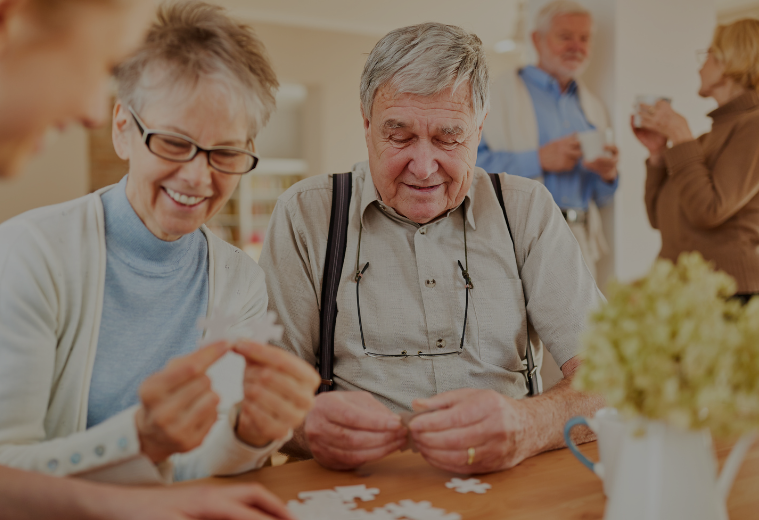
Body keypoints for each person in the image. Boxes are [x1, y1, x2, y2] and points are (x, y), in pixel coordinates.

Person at [0, 0, 294, 518]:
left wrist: (239, 434)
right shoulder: (31, 249)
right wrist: (138, 441)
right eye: (96, 64)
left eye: (226, 152)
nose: (91, 112)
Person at [259, 21, 605, 475]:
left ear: (479, 130)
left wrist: (528, 423)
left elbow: (612, 379)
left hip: (508, 484)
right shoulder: (305, 214)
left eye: (448, 137)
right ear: (366, 126)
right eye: (399, 135)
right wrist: (304, 425)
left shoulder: (527, 210)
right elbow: (265, 396)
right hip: (356, 488)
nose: (423, 167)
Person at [476, 0, 619, 279]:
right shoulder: (495, 94)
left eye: (584, 38)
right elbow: (471, 166)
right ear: (536, 40)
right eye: (565, 37)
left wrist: (608, 175)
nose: (576, 46)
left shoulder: (593, 106)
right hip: (519, 239)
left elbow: (601, 198)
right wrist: (539, 159)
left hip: (581, 242)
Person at [637, 18, 759, 302]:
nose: (700, 66)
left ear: (730, 62)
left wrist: (681, 137)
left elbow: (708, 209)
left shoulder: (754, 126)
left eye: (709, 56)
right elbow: (658, 218)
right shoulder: (708, 140)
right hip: (685, 292)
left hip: (728, 295)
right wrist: (657, 154)